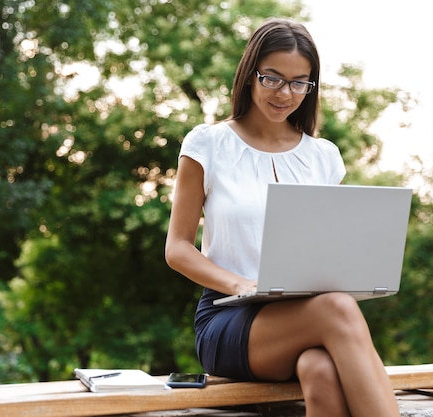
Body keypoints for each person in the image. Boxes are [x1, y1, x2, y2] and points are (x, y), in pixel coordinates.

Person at [164, 18, 400, 417]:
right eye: (272, 78)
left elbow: (334, 252)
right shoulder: (207, 143)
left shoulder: (323, 156)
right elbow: (177, 248)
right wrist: (240, 283)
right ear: (250, 74)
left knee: (319, 368)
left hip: (304, 315)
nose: (285, 93)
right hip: (228, 317)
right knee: (339, 308)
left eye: (298, 82)